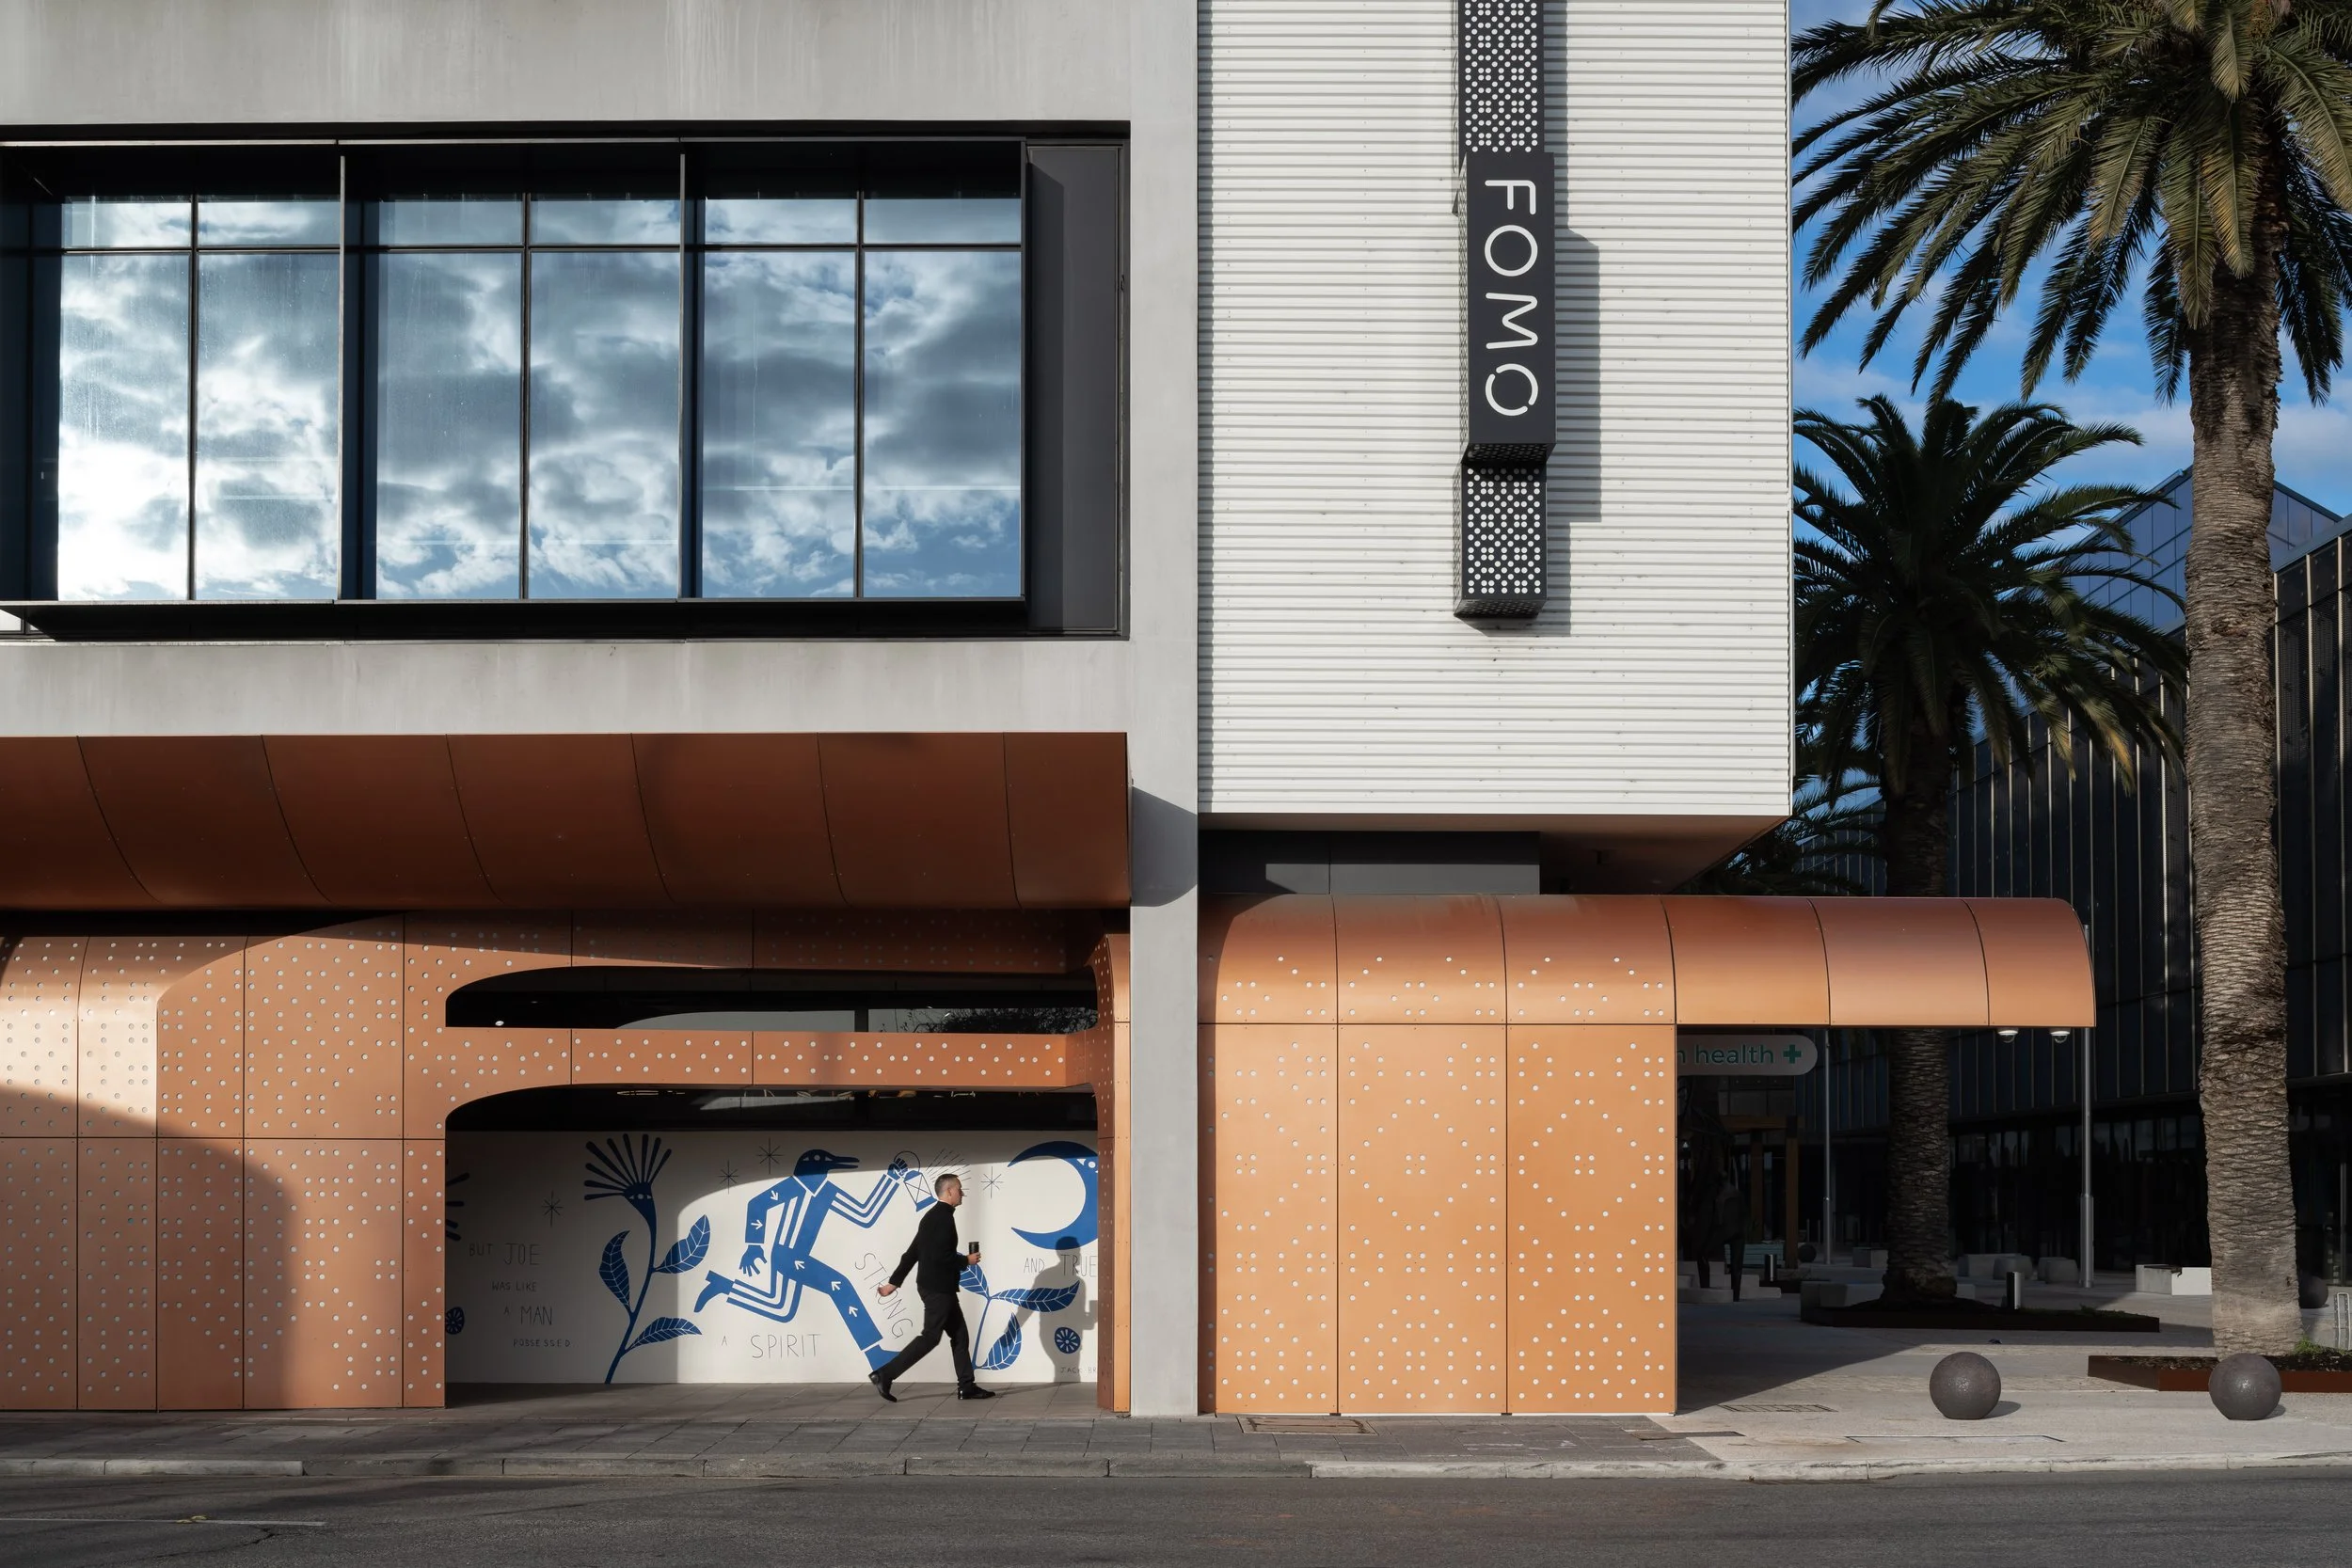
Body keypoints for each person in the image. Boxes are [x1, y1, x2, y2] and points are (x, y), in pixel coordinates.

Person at [869, 1172, 993, 1402]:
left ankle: (966, 1386)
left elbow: (912, 1253)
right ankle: (885, 1374)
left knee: (960, 1335)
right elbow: (940, 1257)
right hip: (938, 1289)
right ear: (949, 1191)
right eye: (959, 1189)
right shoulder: (943, 1219)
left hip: (937, 1287)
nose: (962, 1193)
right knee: (930, 1337)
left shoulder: (931, 1217)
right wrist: (966, 1260)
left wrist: (892, 1284)